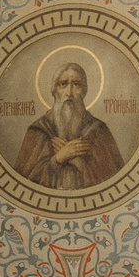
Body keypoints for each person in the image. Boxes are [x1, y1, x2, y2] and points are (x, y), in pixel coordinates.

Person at [13, 63, 125, 191]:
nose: (69, 93)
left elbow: (115, 182)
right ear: (54, 90)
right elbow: (22, 182)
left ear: (84, 91)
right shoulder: (38, 131)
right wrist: (58, 158)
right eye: (63, 84)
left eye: (76, 84)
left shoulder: (98, 131)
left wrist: (78, 161)